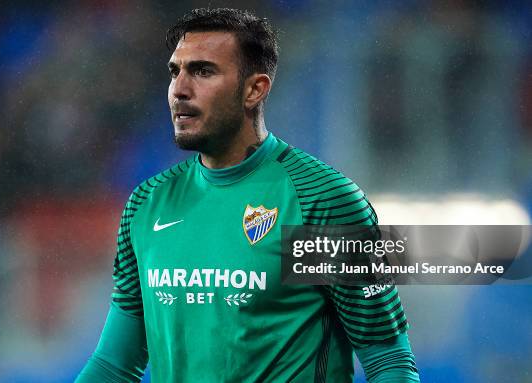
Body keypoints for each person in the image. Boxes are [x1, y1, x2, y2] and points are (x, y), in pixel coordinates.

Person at [76, 8, 419, 383]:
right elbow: (114, 364)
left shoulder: (322, 201)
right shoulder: (146, 204)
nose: (180, 89)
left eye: (203, 71)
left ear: (255, 89)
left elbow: (388, 362)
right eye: (176, 71)